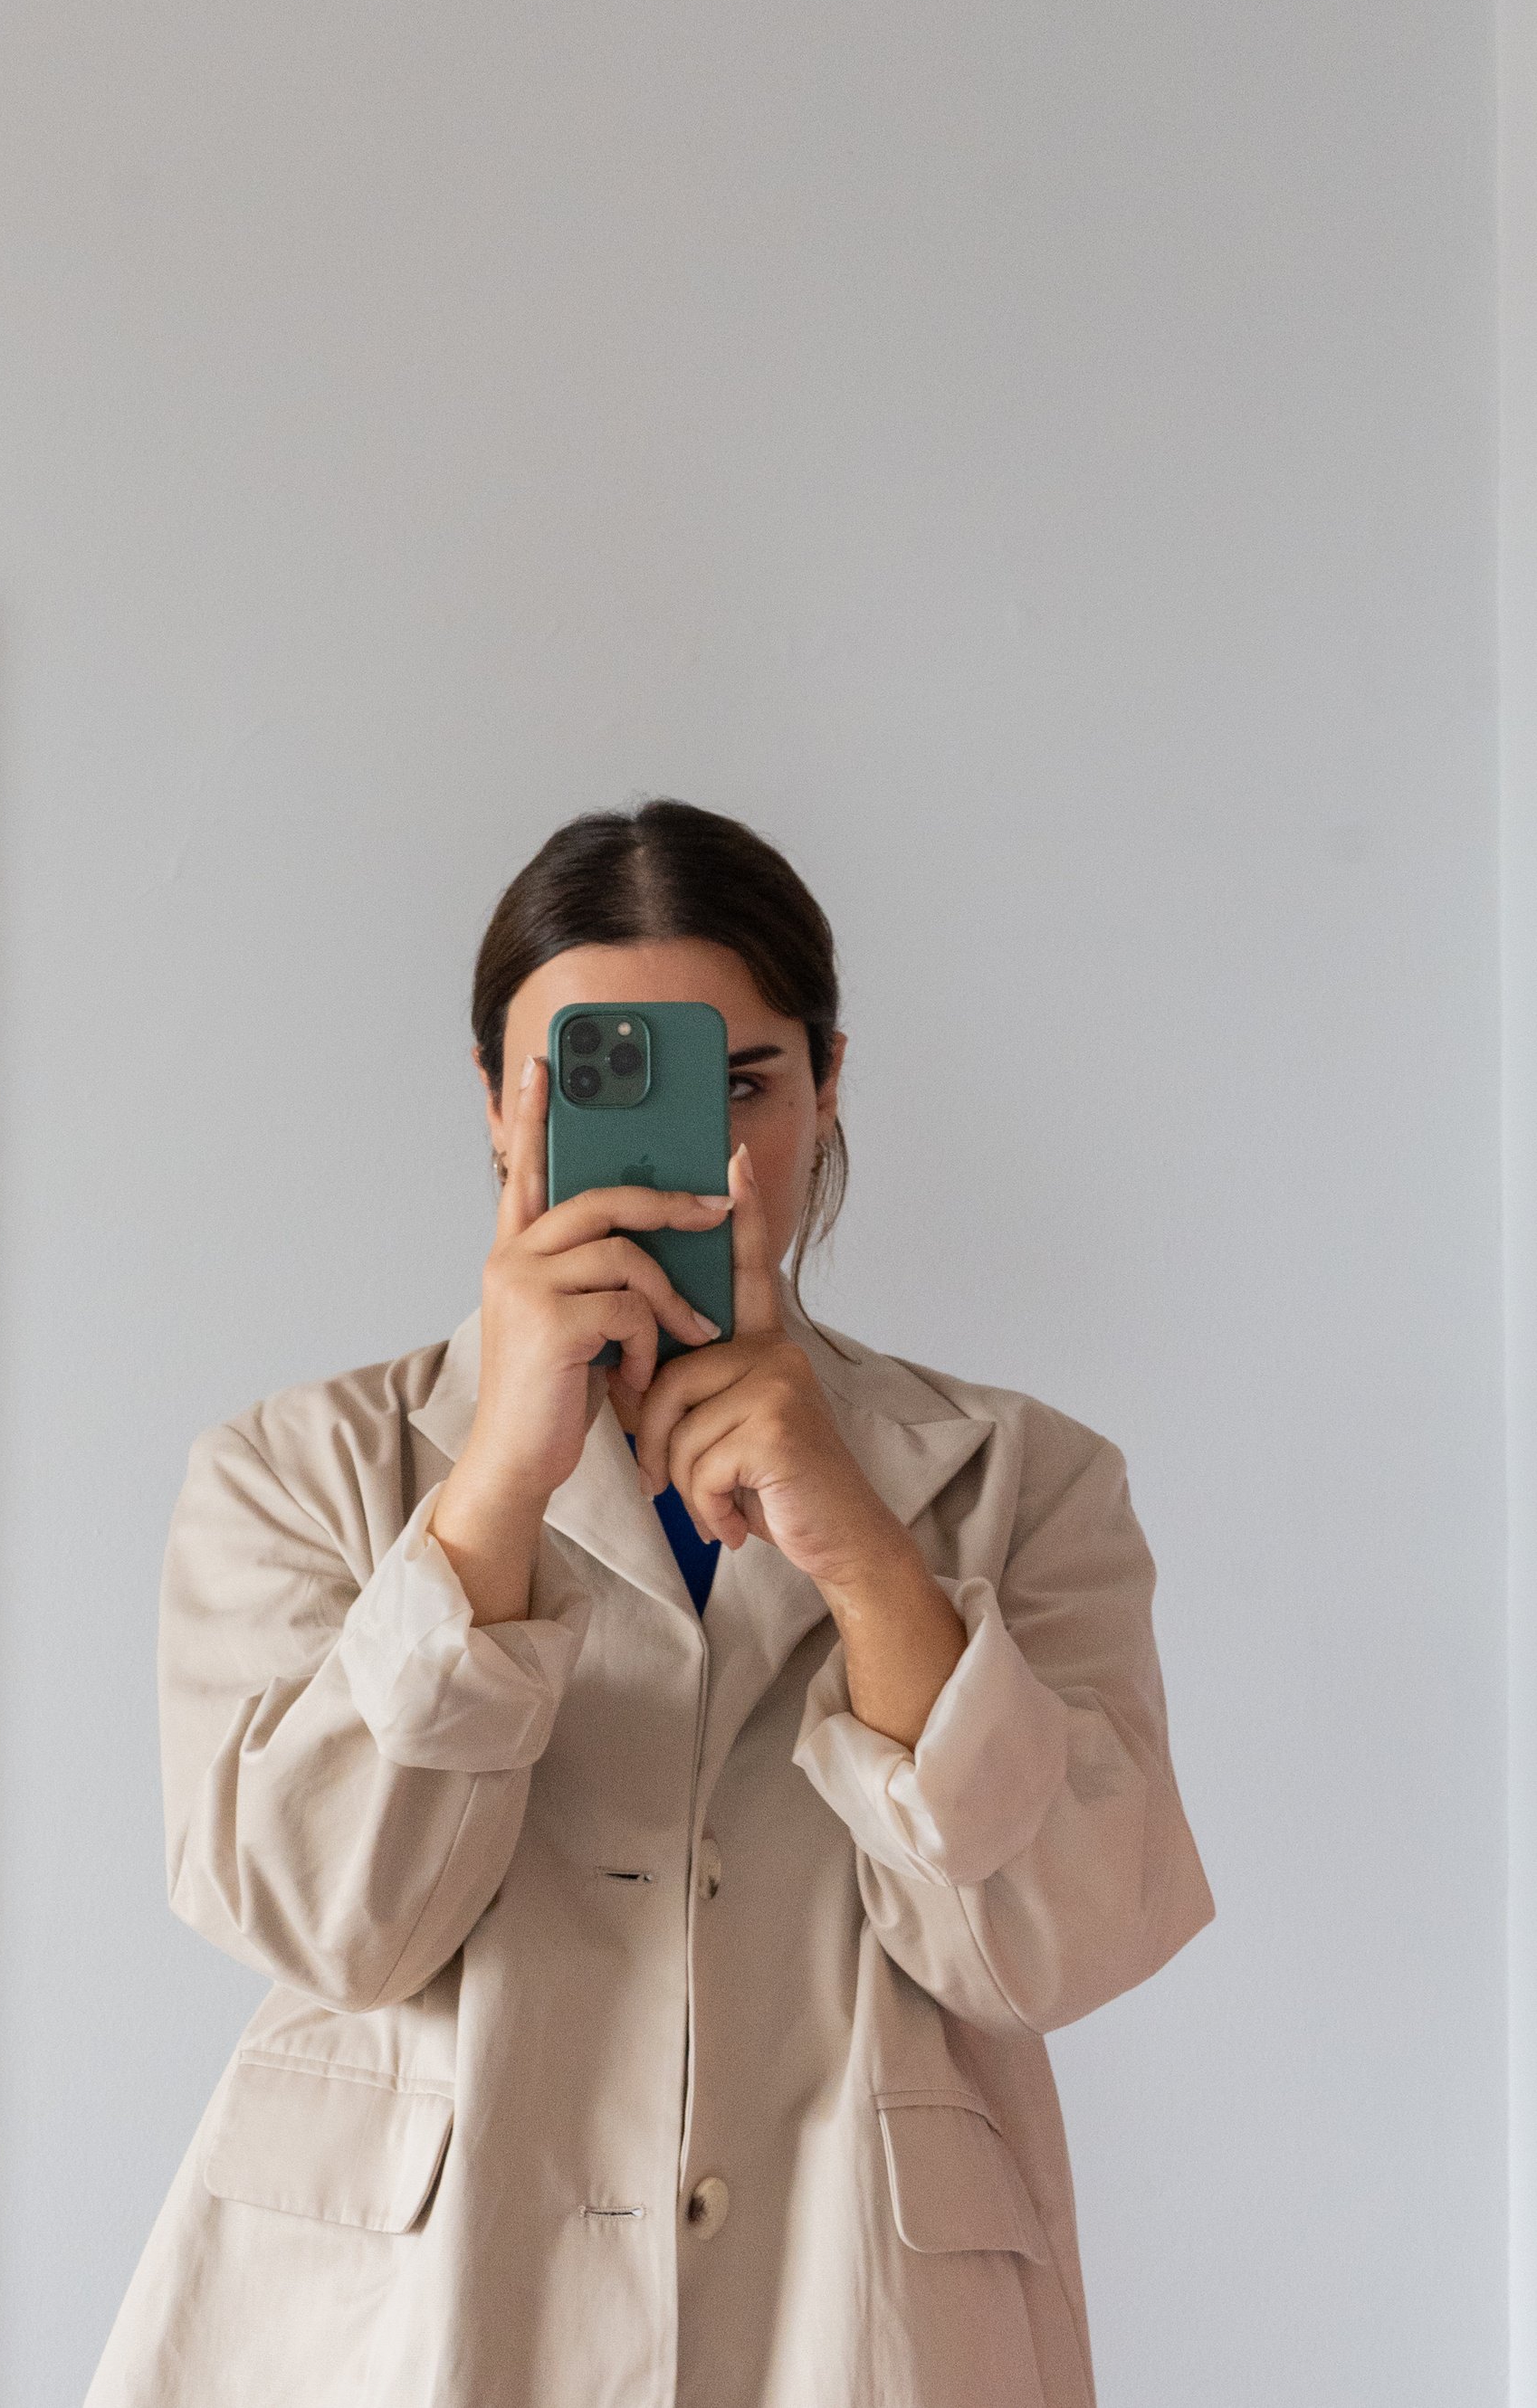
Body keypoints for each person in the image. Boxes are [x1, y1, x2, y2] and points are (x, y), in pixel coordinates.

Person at [84, 797, 1215, 2408]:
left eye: (742, 1079)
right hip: (404, 2319)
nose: (705, 1144)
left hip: (855, 2315)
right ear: (494, 1107)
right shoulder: (299, 1466)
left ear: (828, 1090)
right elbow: (318, 1915)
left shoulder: (1024, 1480)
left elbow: (1062, 1948)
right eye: (581, 1080)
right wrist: (486, 1499)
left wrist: (865, 1556)